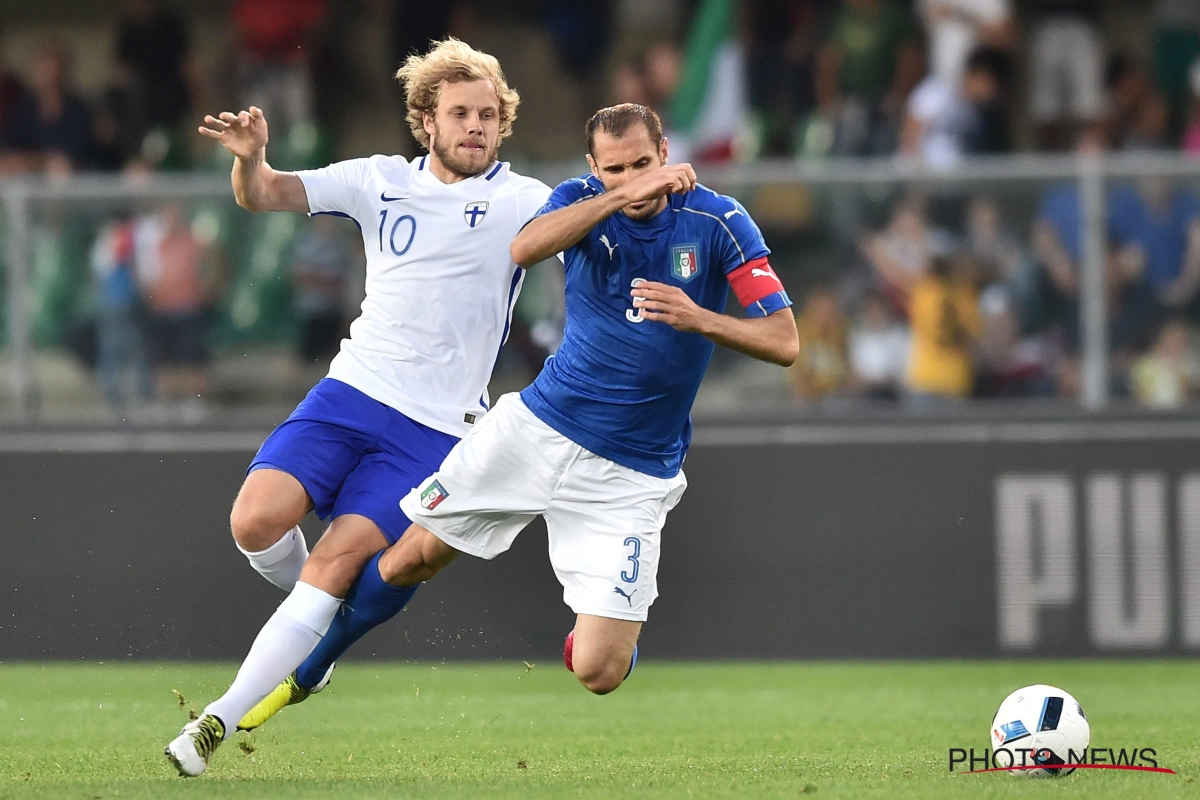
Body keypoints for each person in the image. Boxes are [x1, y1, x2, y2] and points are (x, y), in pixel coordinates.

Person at [227, 103, 797, 739]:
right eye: (614, 168)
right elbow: (526, 246)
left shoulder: (719, 221)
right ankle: (309, 669)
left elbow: (784, 341)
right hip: (536, 428)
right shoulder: (579, 198)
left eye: (642, 163)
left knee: (600, 670)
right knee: (412, 554)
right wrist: (620, 194)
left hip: (631, 470)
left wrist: (701, 319)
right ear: (593, 168)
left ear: (665, 153)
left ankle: (597, 630)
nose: (630, 177)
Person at [164, 39, 552, 777]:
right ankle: (312, 626)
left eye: (488, 115)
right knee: (253, 520)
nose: (476, 126)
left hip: (433, 432)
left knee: (339, 562)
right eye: (459, 113)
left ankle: (219, 718)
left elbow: (586, 226)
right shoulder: (376, 181)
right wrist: (250, 158)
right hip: (350, 393)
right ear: (425, 122)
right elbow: (264, 194)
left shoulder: (525, 200)